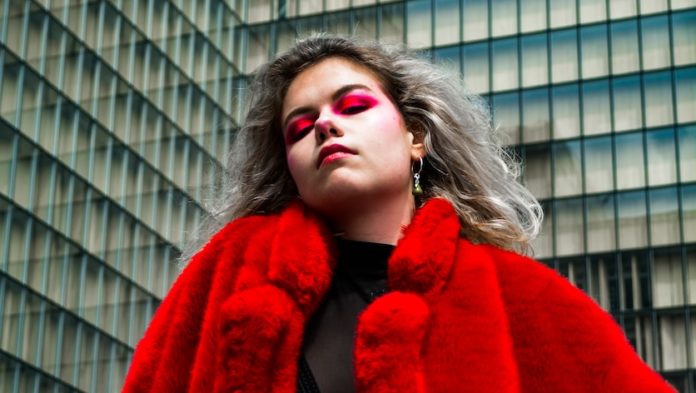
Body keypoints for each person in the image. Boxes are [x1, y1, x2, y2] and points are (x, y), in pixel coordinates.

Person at [122, 35, 674, 393]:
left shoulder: (515, 294)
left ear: (415, 137)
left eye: (354, 105)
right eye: (299, 125)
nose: (325, 126)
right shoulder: (232, 268)